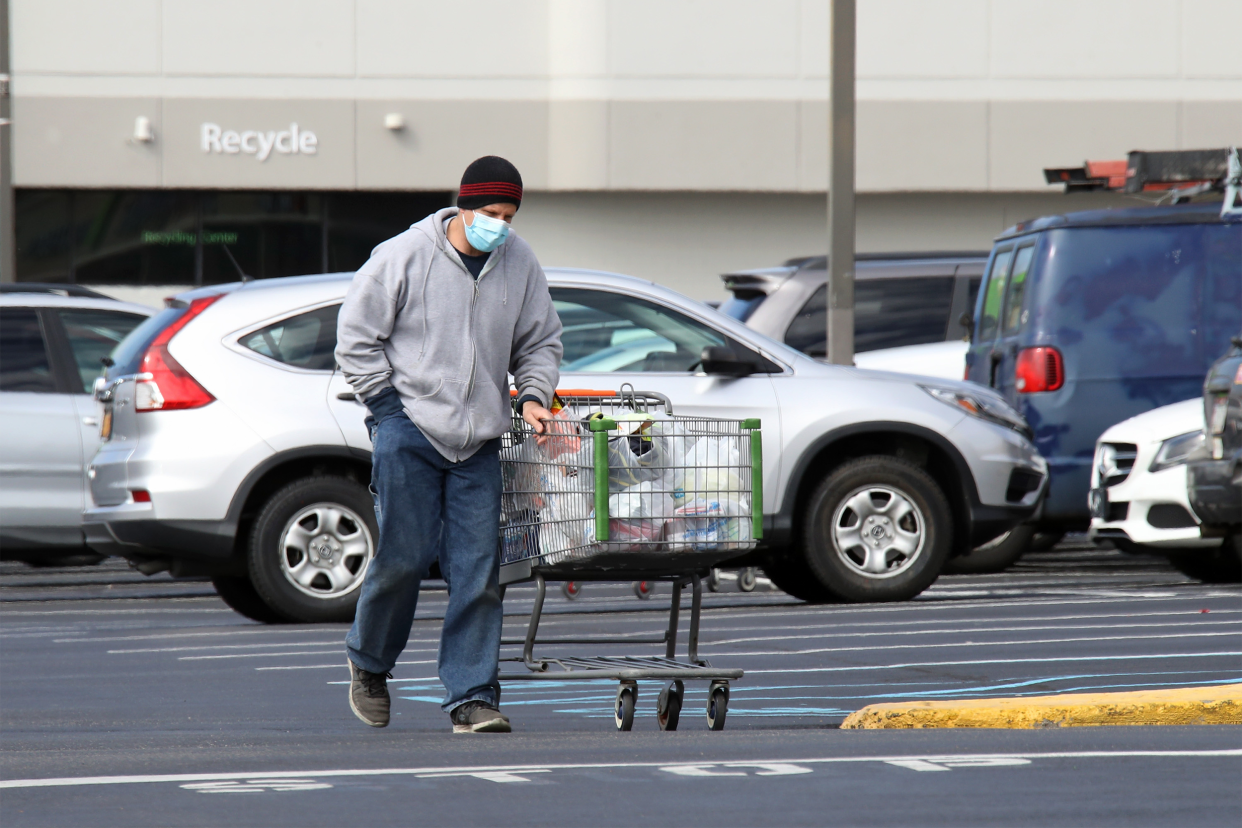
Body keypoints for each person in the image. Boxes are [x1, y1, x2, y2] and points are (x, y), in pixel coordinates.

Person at [335, 156, 562, 733]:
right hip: (408, 428)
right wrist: (387, 410)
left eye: (509, 214)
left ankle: (472, 697)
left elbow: (540, 341)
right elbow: (356, 339)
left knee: (478, 572)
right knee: (404, 560)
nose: (500, 225)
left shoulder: (520, 262)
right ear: (462, 206)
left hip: (479, 441)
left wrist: (533, 395)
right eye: (490, 212)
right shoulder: (403, 255)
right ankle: (369, 663)